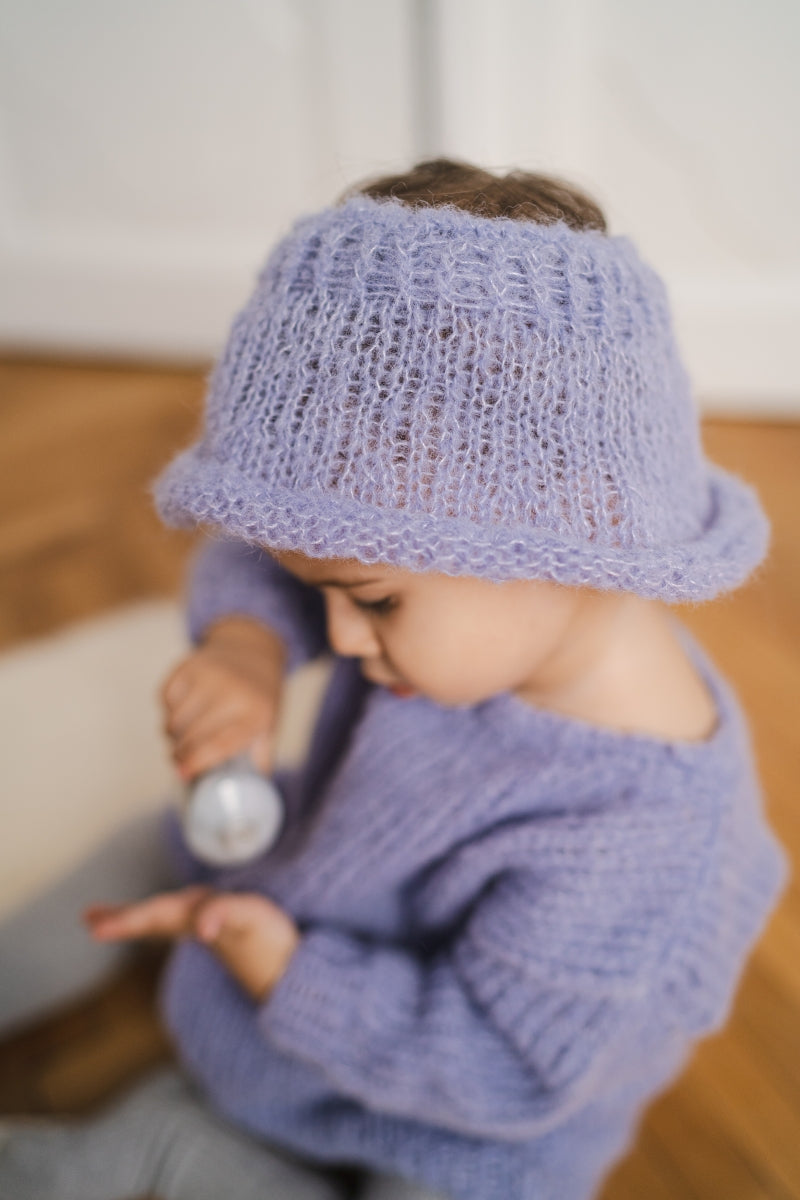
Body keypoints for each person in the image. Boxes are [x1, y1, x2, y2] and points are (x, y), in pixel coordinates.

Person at [0, 159, 788, 1200]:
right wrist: (245, 648)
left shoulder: (644, 845)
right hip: (324, 879)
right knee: (149, 844)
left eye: (371, 601)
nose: (337, 633)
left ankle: (170, 1150)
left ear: (576, 532)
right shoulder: (459, 614)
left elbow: (499, 1071)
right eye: (311, 585)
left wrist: (289, 974)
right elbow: (279, 560)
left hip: (460, 1131)